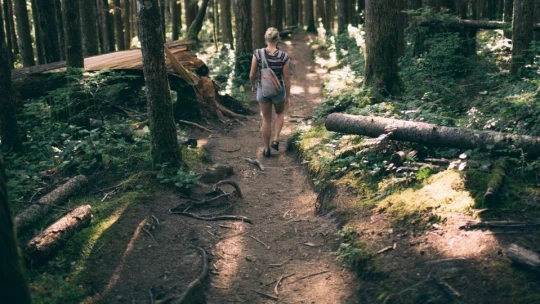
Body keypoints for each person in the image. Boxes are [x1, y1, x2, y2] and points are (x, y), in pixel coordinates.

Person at [249, 27, 291, 158]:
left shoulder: (258, 53)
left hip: (263, 90)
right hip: (278, 90)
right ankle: (276, 139)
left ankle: (266, 149)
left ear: (265, 39)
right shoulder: (284, 56)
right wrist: (288, 96)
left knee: (266, 120)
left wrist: (253, 85)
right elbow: (286, 78)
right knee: (279, 113)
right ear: (278, 39)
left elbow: (252, 74)